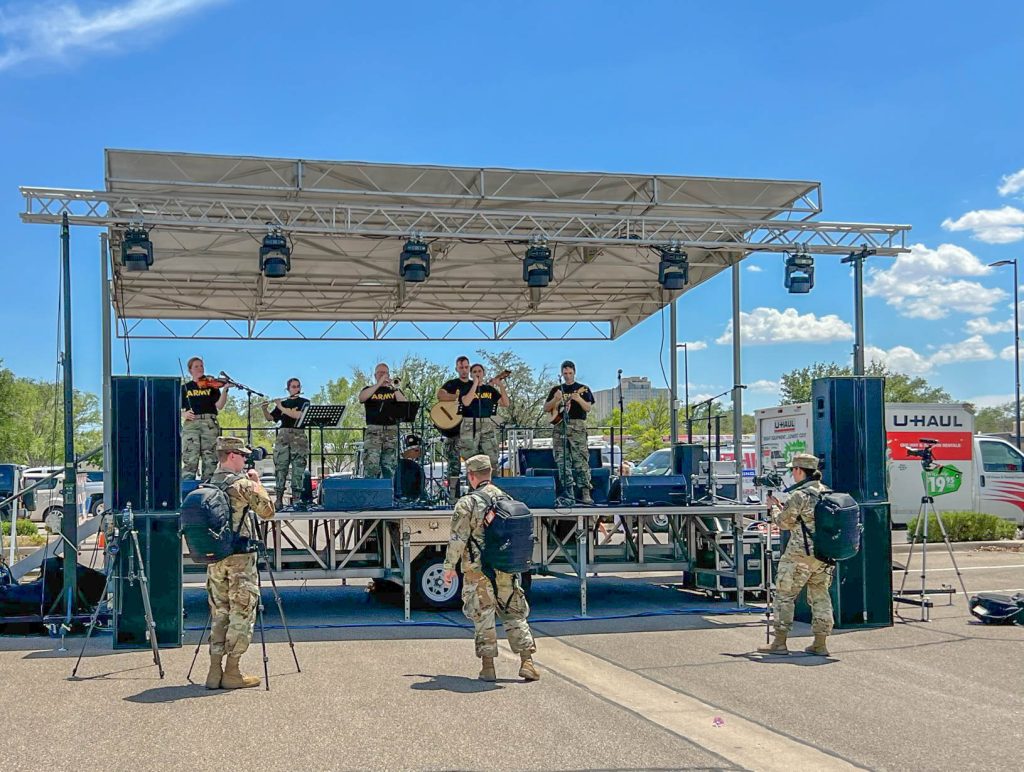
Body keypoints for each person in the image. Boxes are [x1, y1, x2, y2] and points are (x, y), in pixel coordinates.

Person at [443, 455, 539, 682]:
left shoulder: (467, 503)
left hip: (478, 572)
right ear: (490, 473)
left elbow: (458, 539)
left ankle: (488, 668)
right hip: (505, 568)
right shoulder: (506, 498)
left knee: (483, 616)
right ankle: (527, 662)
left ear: (472, 476)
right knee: (514, 613)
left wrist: (449, 567)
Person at [205, 436, 276, 689]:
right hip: (240, 559)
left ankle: (214, 671)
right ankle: (233, 671)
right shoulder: (242, 485)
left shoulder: (207, 484)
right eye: (244, 456)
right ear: (232, 455)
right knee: (242, 612)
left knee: (219, 612)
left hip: (215, 560)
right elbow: (268, 511)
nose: (246, 460)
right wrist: (257, 484)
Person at [758, 453, 834, 657]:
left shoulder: (800, 495)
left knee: (784, 596)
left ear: (800, 471)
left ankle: (780, 642)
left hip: (798, 556)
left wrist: (773, 508)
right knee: (820, 596)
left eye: (793, 470)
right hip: (823, 556)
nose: (792, 474)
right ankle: (820, 642)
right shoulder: (826, 492)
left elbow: (784, 523)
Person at [543, 361, 595, 504]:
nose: (567, 376)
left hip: (577, 426)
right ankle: (569, 492)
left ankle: (585, 492)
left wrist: (578, 399)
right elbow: (546, 408)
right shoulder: (556, 389)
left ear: (574, 372)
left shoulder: (583, 389)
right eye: (565, 373)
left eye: (570, 373)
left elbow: (588, 408)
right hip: (559, 427)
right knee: (562, 461)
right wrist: (556, 399)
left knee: (580, 460)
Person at [261, 377, 310, 510]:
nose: (296, 388)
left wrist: (280, 406)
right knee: (280, 467)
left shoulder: (304, 402)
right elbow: (271, 418)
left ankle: (297, 499)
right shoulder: (283, 403)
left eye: (297, 386)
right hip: (283, 436)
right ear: (288, 389)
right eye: (293, 387)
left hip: (298, 436)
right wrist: (265, 409)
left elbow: (297, 415)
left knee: (297, 469)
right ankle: (278, 499)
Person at [181, 356, 229, 482]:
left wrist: (225, 390)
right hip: (192, 423)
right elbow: (173, 406)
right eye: (196, 366)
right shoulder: (185, 388)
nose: (200, 368)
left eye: (201, 365)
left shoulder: (211, 386)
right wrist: (183, 414)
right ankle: (187, 491)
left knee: (210, 460)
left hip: (209, 422)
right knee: (190, 457)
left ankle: (208, 489)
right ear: (190, 370)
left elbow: (219, 405)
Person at [358, 363, 407, 479]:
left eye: (385, 373)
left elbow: (404, 403)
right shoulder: (369, 389)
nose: (383, 375)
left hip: (391, 431)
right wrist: (379, 384)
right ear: (375, 375)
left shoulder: (393, 391)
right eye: (380, 373)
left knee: (389, 466)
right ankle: (371, 493)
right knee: (371, 464)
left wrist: (394, 388)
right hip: (374, 431)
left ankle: (389, 493)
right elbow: (361, 398)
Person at [459, 363, 509, 472]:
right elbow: (466, 402)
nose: (477, 374)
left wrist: (500, 386)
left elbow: (505, 403)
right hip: (470, 424)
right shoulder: (466, 387)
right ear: (471, 374)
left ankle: (491, 483)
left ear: (484, 373)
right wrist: (475, 384)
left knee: (491, 457)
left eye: (479, 371)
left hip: (486, 423)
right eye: (474, 372)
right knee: (471, 458)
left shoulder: (489, 390)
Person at [436, 355, 472, 496]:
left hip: (470, 430)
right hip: (453, 431)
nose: (464, 370)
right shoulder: (452, 384)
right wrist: (458, 398)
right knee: (453, 465)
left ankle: (473, 494)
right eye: (461, 367)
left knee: (472, 463)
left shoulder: (473, 385)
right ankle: (453, 496)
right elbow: (440, 395)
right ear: (456, 369)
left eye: (466, 367)